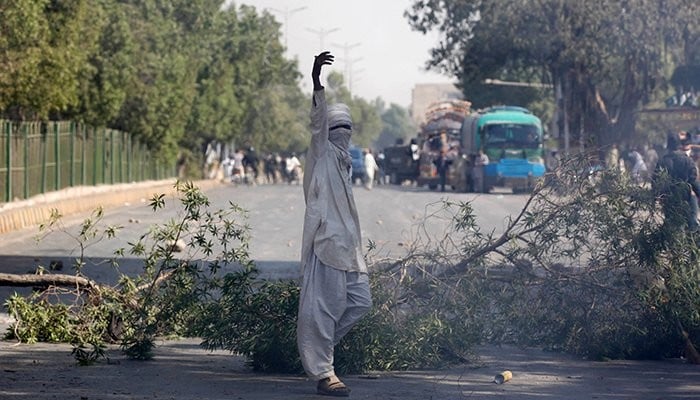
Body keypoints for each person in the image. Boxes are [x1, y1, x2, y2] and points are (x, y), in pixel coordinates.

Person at [297, 51, 372, 397]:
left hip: (350, 249)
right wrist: (317, 83)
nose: (343, 134)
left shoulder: (344, 161)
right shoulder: (322, 152)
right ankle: (324, 372)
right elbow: (318, 124)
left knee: (360, 302)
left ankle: (317, 349)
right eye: (338, 128)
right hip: (326, 244)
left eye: (348, 129)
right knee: (323, 309)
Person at [653, 132, 700, 231]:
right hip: (685, 195)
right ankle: (691, 241)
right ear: (679, 145)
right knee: (692, 221)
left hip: (668, 197)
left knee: (670, 222)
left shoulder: (662, 161)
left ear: (668, 145)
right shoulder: (687, 160)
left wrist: (654, 197)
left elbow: (655, 180)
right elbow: (693, 179)